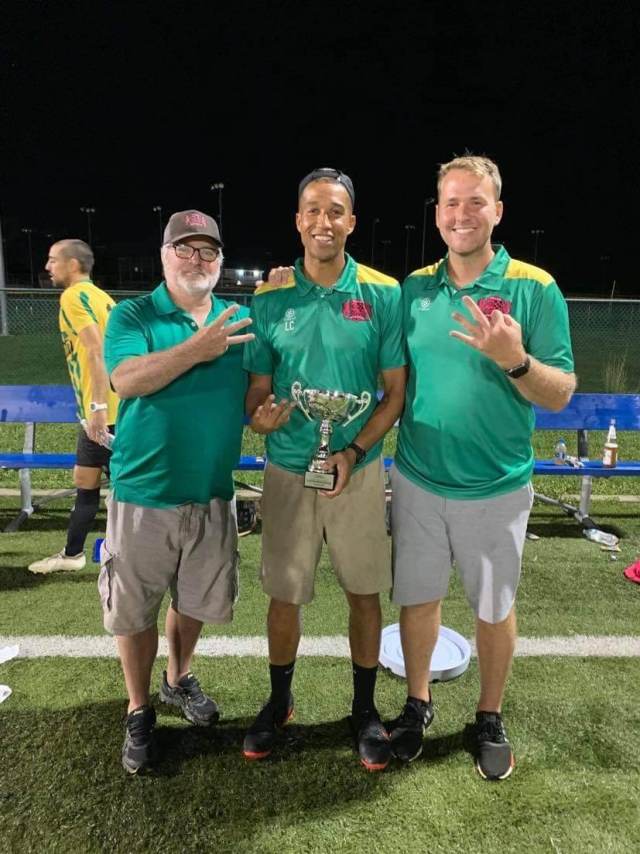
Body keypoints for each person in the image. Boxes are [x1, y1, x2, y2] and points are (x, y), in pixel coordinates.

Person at [388, 155, 576, 780]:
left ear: (498, 210)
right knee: (418, 600)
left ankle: (489, 715)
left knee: (493, 608)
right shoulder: (414, 289)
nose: (462, 214)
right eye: (451, 202)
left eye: (475, 202)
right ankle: (417, 703)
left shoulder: (534, 286)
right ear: (437, 213)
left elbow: (560, 393)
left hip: (496, 487)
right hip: (417, 479)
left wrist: (515, 360)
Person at [243, 168, 406, 771]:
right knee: (285, 596)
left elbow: (395, 394)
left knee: (364, 592)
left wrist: (353, 452)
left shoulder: (383, 294)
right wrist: (259, 417)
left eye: (335, 211)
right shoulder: (270, 298)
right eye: (312, 210)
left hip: (357, 471)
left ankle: (364, 710)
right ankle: (279, 700)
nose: (323, 222)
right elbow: (257, 390)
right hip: (289, 468)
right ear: (298, 220)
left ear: (351, 222)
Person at [102, 210, 254, 774]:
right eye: (185, 249)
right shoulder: (134, 313)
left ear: (220, 261)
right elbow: (126, 379)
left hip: (212, 490)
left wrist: (265, 412)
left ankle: (177, 677)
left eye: (207, 251)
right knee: (134, 609)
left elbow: (249, 396)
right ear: (164, 255)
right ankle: (138, 707)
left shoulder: (239, 320)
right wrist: (196, 347)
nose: (196, 260)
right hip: (144, 492)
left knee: (195, 602)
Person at [29, 240, 118, 575]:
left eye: (53, 260)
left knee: (118, 488)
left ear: (73, 264)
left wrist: (97, 408)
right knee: (86, 479)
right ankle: (74, 553)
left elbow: (96, 350)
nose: (48, 267)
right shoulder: (103, 298)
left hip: (105, 414)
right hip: (116, 409)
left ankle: (120, 554)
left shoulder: (73, 296)